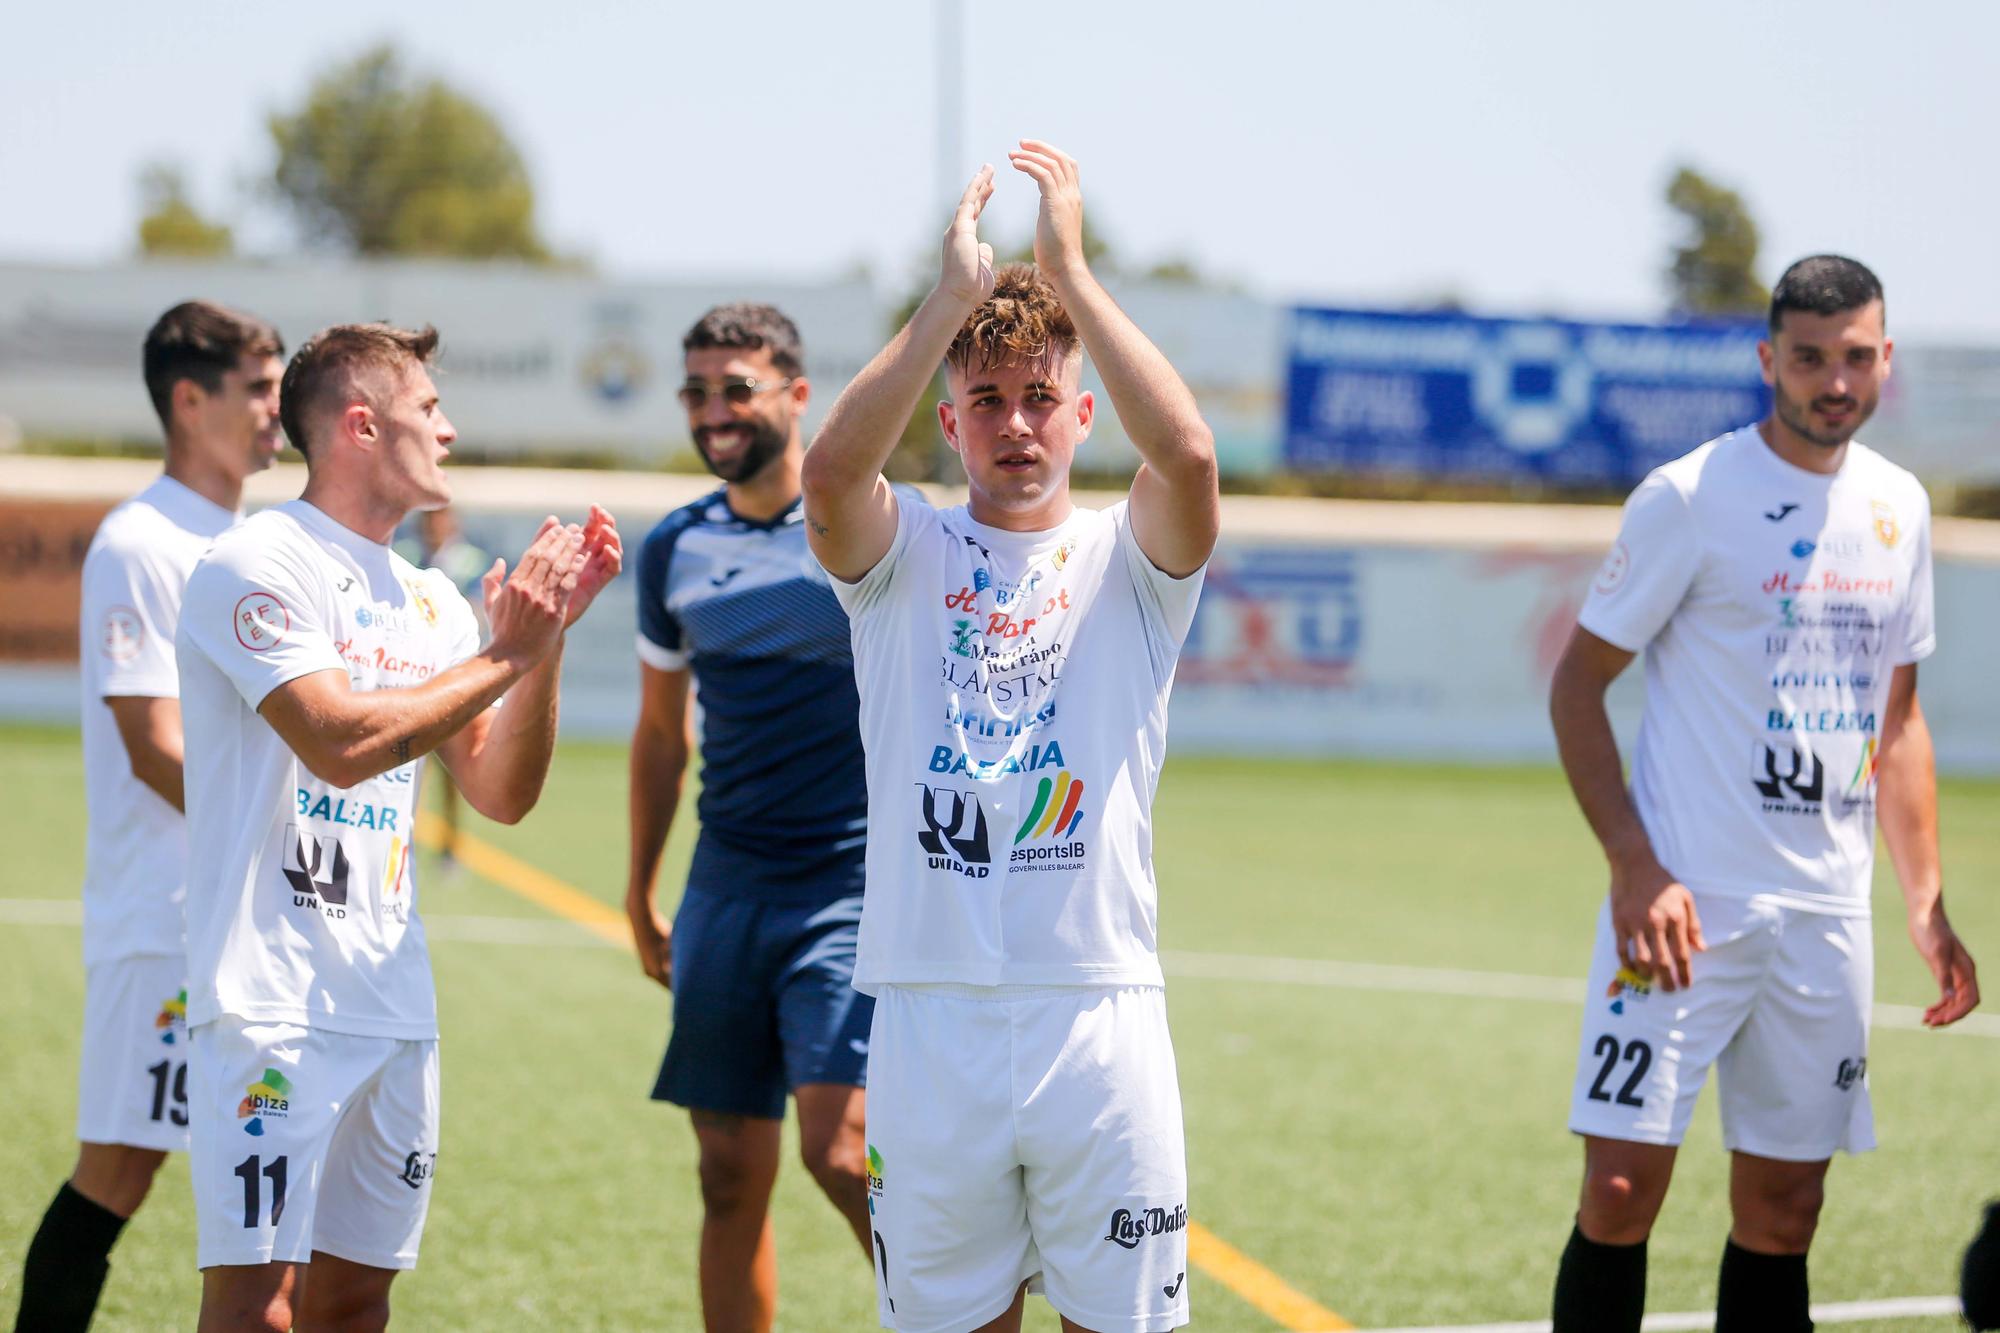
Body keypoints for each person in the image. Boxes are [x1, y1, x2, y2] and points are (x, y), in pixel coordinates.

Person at [802, 141, 1218, 1333]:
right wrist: (948, 301)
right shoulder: (904, 558)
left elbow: (1186, 456)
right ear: (947, 417)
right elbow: (829, 474)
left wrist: (1069, 275)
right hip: (931, 1022)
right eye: (986, 398)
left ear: (1083, 413)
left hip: (1096, 1014)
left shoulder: (1128, 559)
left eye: (1041, 396)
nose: (1015, 423)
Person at [1546, 255, 1979, 1333]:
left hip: (1822, 918)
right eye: (1807, 358)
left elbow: (1899, 719)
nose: (1832, 381)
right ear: (1765, 361)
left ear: (1884, 359)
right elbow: (1576, 688)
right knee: (1616, 1193)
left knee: (1785, 1211)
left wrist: (1922, 900)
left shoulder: (1900, 508)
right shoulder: (1688, 496)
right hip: (1680, 910)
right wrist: (1634, 866)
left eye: (1853, 358)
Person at [173, 322, 621, 1333]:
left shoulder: (430, 601)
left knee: (356, 1304)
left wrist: (540, 650)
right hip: (271, 1003)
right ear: (363, 427)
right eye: (429, 410)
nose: (450, 431)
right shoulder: (252, 560)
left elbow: (500, 793)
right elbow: (338, 739)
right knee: (256, 1310)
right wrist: (505, 657)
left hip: (390, 1004)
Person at [13, 301, 283, 1333]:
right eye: (256, 389)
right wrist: (288, 823)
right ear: (188, 399)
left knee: (264, 1193)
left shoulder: (253, 538)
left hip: (249, 922)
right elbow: (153, 744)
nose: (274, 411)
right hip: (163, 922)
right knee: (116, 1174)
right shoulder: (141, 541)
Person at [625, 303, 881, 1331]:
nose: (714, 411)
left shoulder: (868, 522)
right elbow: (657, 735)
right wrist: (641, 890)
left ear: (798, 394)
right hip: (725, 886)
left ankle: (966, 1305)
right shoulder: (674, 547)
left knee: (838, 1149)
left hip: (852, 883)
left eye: (737, 388)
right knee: (728, 1172)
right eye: (696, 391)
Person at [397, 505, 493, 869]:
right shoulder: (405, 556)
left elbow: (478, 610)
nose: (434, 526)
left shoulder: (471, 561)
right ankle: (404, 841)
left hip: (457, 677)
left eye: (439, 519)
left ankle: (451, 844)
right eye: (427, 519)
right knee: (405, 766)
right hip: (413, 680)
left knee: (454, 772)